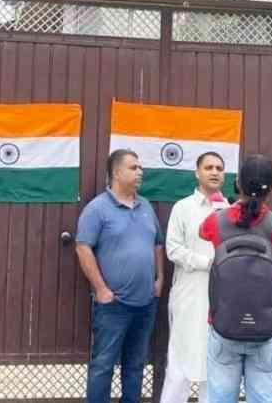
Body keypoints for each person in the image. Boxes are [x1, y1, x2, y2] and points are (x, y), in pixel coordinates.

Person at [199, 154, 272, 403]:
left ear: (237, 185)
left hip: (224, 326)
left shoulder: (215, 221)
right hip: (266, 328)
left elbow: (202, 233)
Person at [75, 149, 165, 403]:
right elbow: (83, 248)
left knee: (135, 365)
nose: (140, 172)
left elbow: (158, 243)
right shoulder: (98, 209)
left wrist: (159, 280)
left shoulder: (145, 206)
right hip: (113, 305)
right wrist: (101, 290)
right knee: (103, 365)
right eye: (134, 168)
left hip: (146, 303)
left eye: (140, 168)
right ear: (116, 172)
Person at [162, 151, 230, 403]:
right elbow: (173, 249)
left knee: (214, 366)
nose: (214, 172)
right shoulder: (183, 208)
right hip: (189, 295)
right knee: (180, 363)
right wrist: (207, 263)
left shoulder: (230, 210)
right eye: (209, 167)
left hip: (222, 298)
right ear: (197, 173)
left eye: (219, 168)